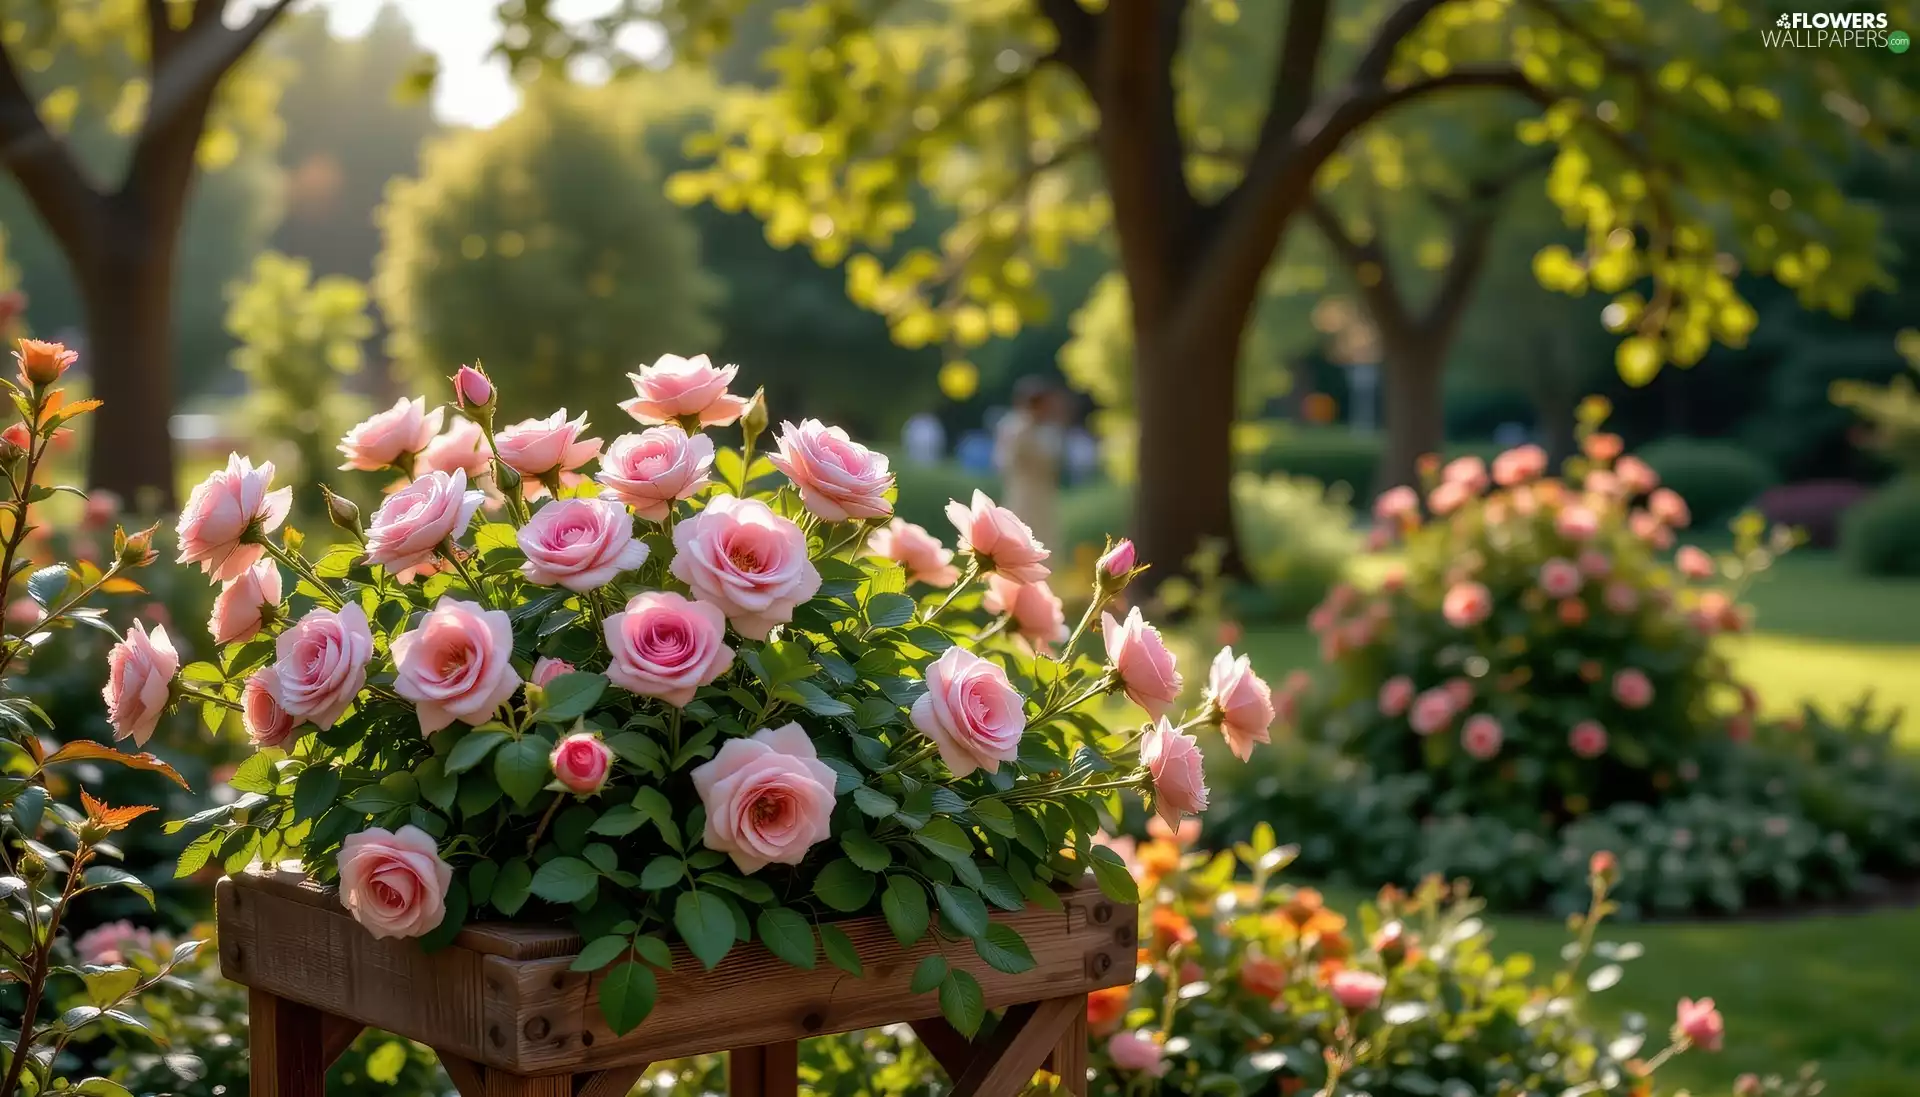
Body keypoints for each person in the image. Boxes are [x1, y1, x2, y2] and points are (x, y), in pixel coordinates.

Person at [993, 377, 1068, 555]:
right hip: (1023, 493)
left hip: (1043, 496)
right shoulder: (1015, 427)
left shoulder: (1047, 430)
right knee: (1020, 539)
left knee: (1044, 541)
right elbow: (1005, 461)